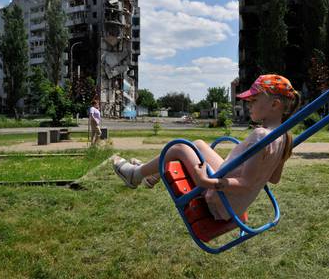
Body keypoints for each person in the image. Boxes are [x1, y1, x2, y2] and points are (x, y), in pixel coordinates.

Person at [112, 74, 301, 221]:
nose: (247, 105)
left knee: (179, 147)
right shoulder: (285, 137)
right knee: (199, 144)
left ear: (274, 104)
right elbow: (274, 178)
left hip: (220, 201)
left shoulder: (261, 136)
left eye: (254, 101)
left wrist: (205, 181)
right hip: (232, 200)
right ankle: (153, 173)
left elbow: (246, 183)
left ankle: (135, 175)